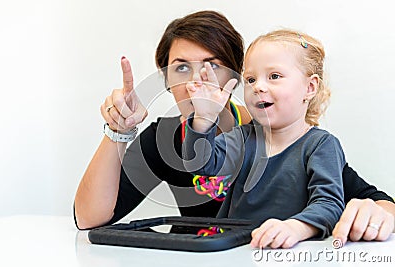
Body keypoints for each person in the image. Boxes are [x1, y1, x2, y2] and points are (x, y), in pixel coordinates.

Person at [74, 11, 395, 245]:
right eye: (181, 67)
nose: (198, 81)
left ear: (234, 78)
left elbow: (369, 201)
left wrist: (378, 214)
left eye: (213, 66)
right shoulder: (167, 138)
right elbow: (88, 219)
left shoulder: (287, 136)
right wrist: (117, 131)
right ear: (167, 80)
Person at [183, 29, 348, 248]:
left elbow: (329, 204)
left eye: (274, 76)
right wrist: (204, 120)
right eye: (250, 79)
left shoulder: (320, 146)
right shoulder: (243, 138)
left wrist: (295, 228)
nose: (258, 86)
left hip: (291, 254)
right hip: (235, 251)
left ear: (310, 88)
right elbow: (200, 164)